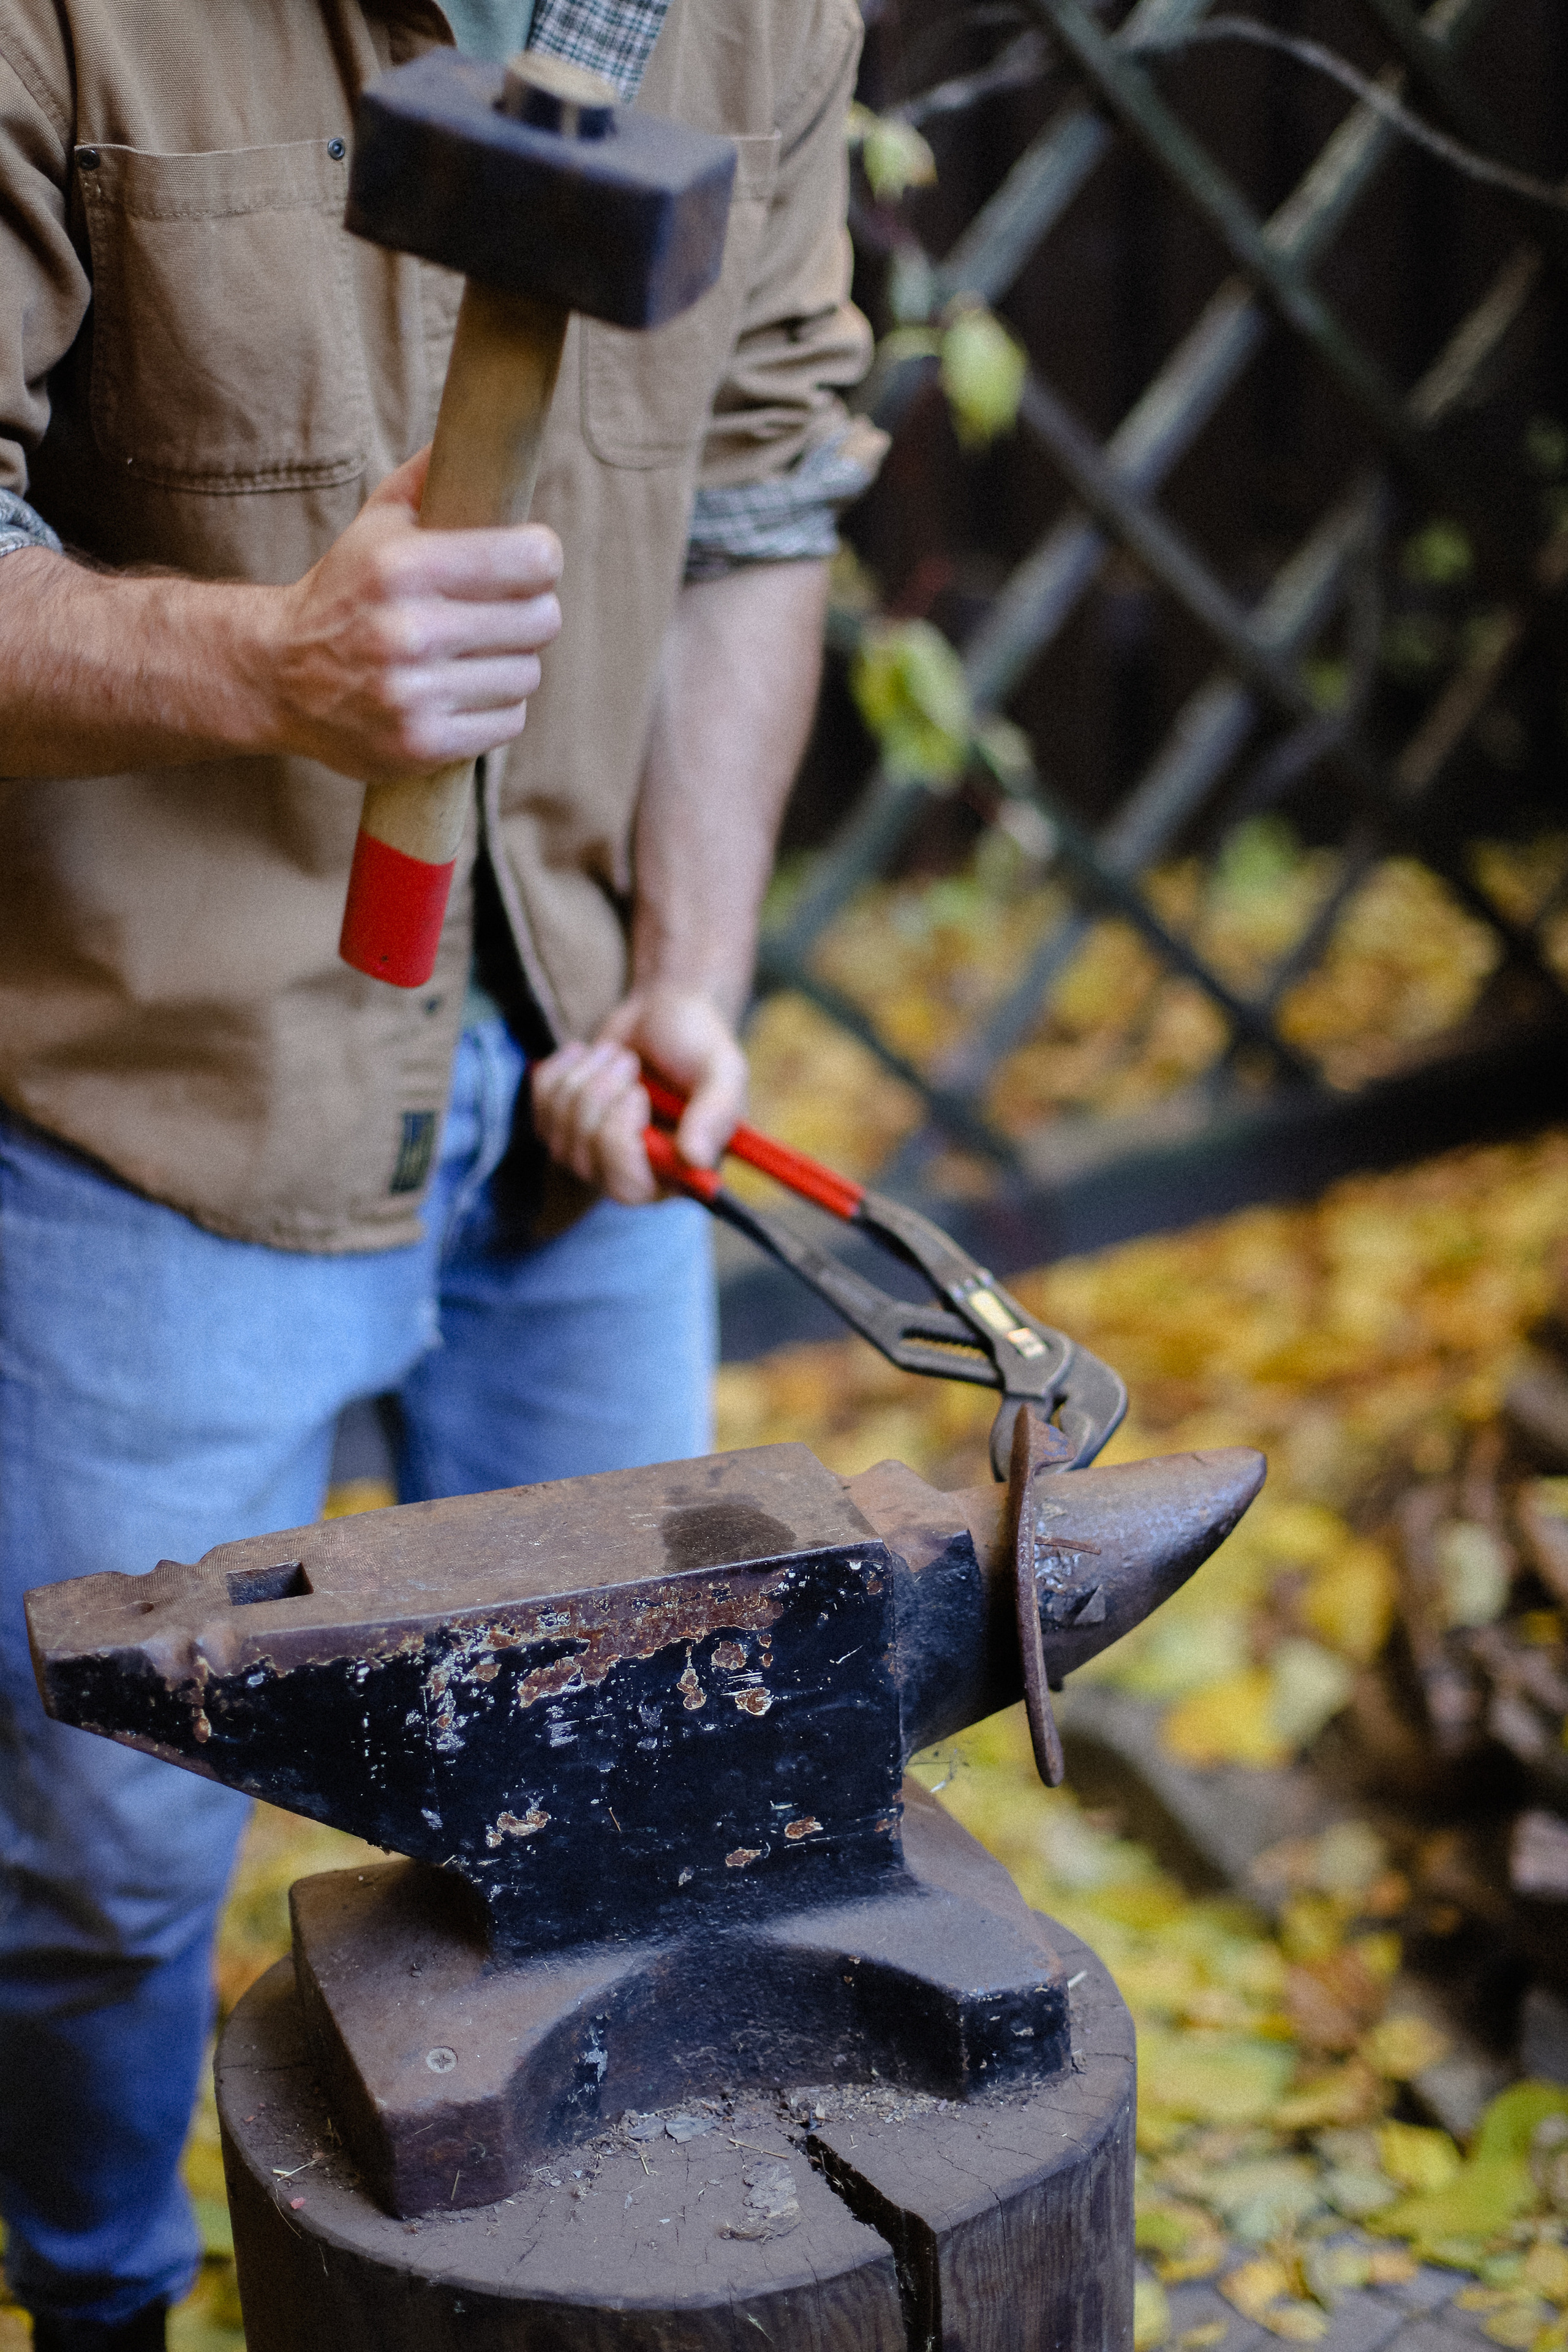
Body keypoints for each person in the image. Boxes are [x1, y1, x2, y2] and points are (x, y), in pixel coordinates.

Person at [0, 0, 883, 2343]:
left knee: (631, 1796)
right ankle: (95, 2299)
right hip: (158, 1095)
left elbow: (760, 496)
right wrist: (268, 664)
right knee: (101, 1863)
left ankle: (573, 2302)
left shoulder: (762, 16)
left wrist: (687, 972)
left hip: (572, 1085)